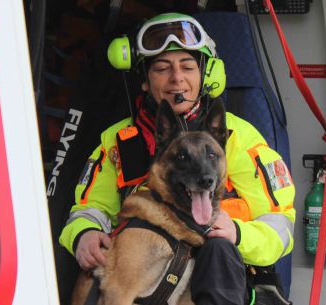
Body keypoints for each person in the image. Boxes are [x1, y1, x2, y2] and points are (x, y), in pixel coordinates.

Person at [59, 12, 296, 304]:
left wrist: (238, 233)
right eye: (161, 68)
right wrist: (85, 234)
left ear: (205, 76)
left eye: (188, 67)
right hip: (145, 278)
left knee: (217, 251)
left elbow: (280, 224)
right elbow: (89, 208)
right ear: (145, 80)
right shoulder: (118, 140)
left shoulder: (239, 136)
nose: (177, 79)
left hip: (224, 275)